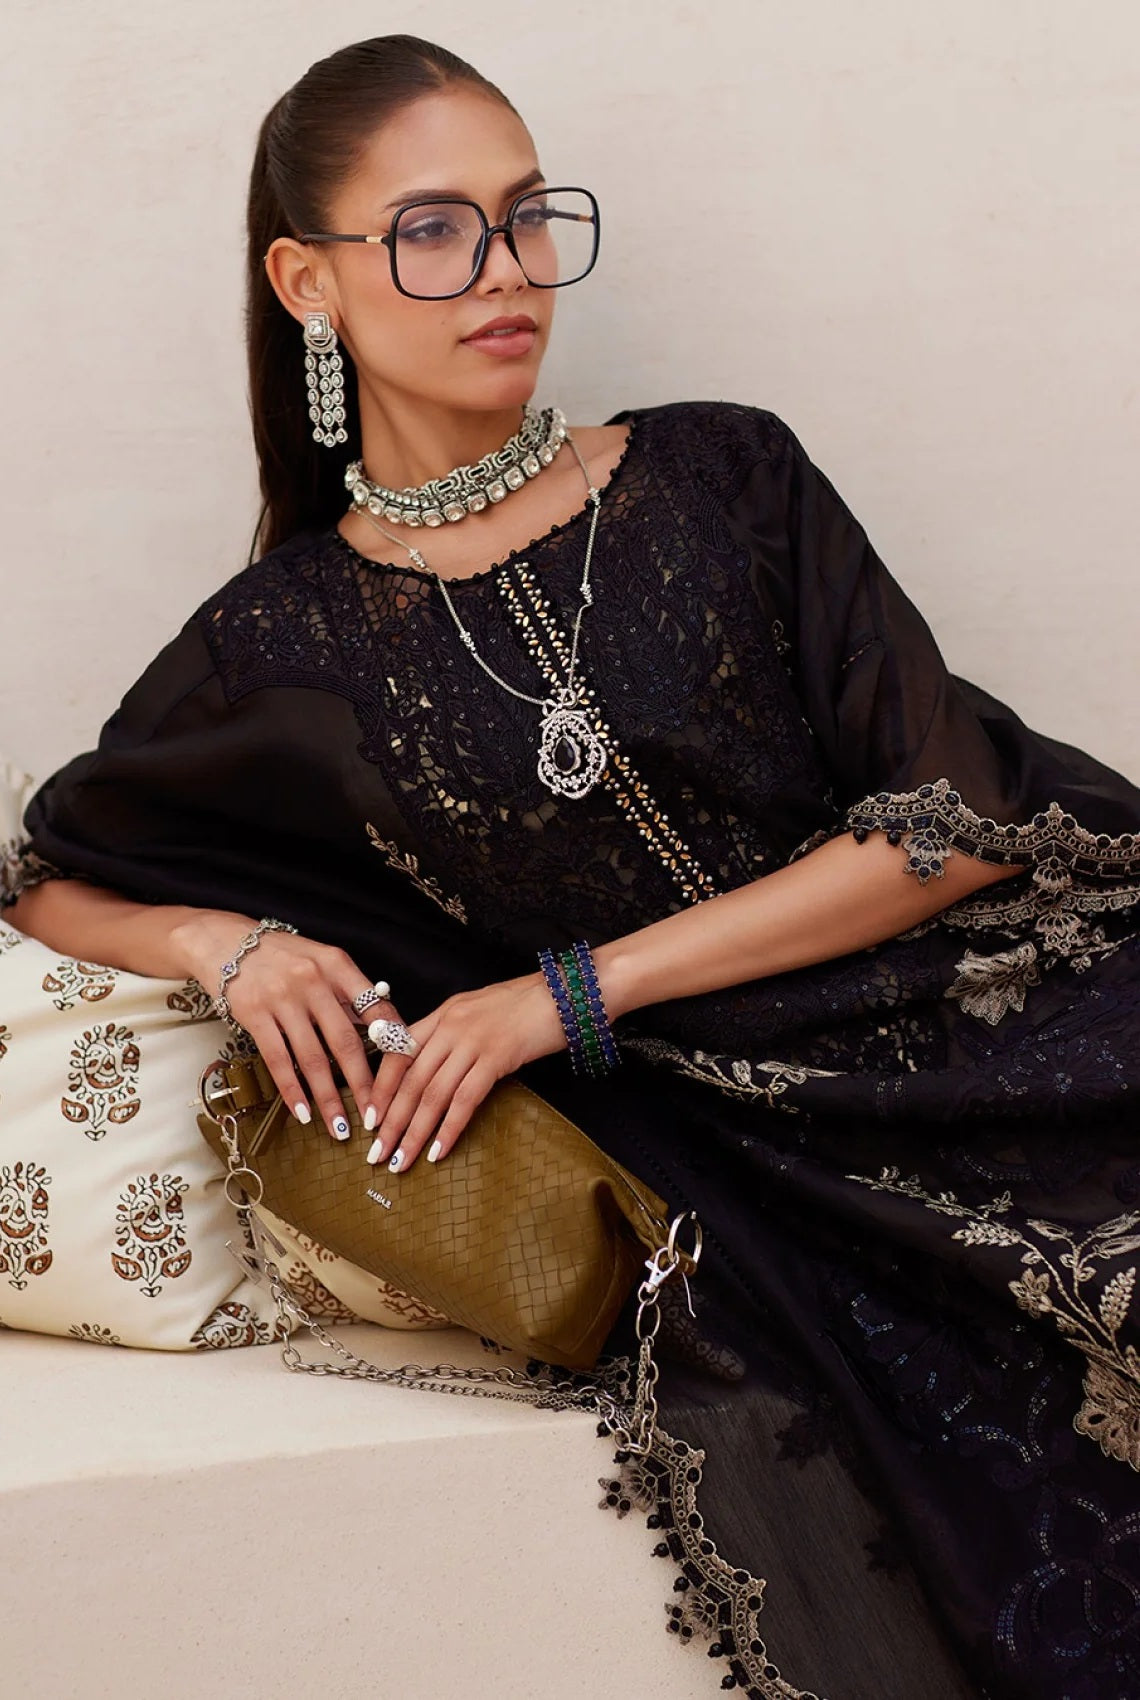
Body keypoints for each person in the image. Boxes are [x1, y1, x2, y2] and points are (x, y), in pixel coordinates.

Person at [6, 32, 1140, 1700]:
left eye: (530, 215)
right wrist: (224, 948)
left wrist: (562, 998)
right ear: (307, 281)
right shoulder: (277, 647)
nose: (506, 269)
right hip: (747, 1158)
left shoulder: (726, 471)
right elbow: (51, 873)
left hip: (991, 1009)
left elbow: (943, 823)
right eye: (435, 229)